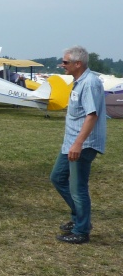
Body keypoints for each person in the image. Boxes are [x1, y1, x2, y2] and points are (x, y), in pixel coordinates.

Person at [50, 45, 106, 244]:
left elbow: (92, 116)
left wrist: (79, 144)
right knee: (57, 177)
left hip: (83, 144)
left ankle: (82, 230)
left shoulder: (90, 83)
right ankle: (79, 218)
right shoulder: (79, 82)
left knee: (78, 188)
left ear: (78, 63)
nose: (62, 65)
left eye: (65, 62)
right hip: (72, 143)